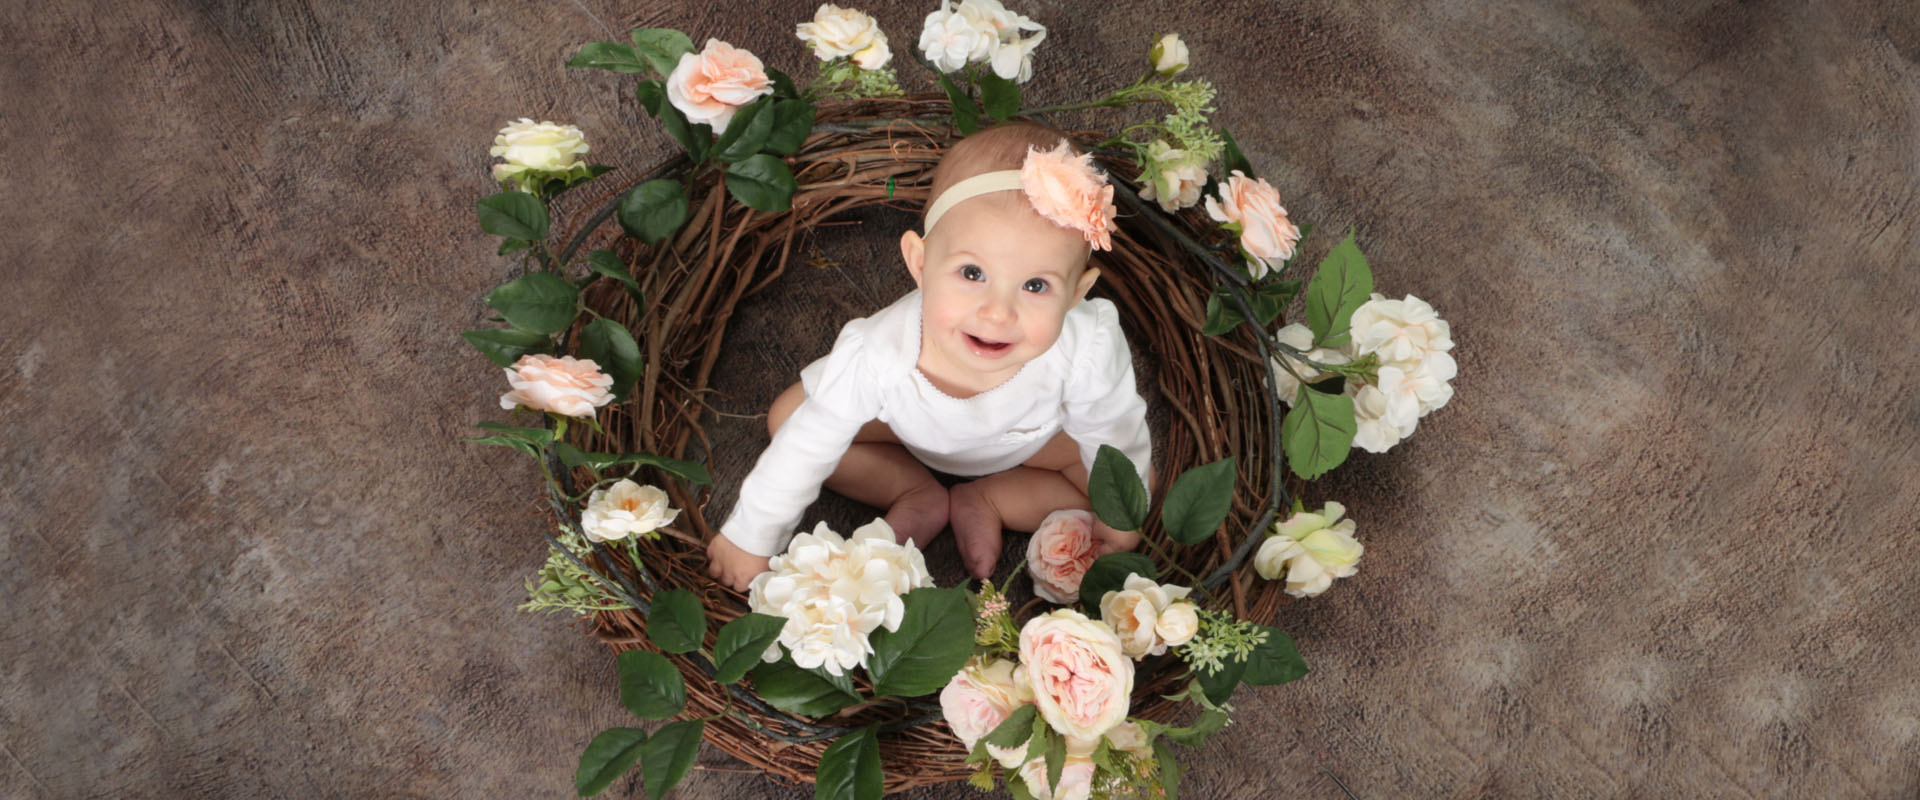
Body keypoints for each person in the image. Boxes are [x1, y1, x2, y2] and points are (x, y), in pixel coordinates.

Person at [705, 121, 1153, 591]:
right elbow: (813, 439)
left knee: (1125, 480)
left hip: (1032, 439)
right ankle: (912, 492)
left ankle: (990, 501)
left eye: (1036, 286)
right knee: (794, 420)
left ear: (1077, 293)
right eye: (972, 273)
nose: (998, 313)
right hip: (904, 427)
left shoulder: (1087, 343)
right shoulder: (881, 349)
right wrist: (751, 536)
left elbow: (1112, 428)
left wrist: (1119, 516)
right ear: (919, 263)